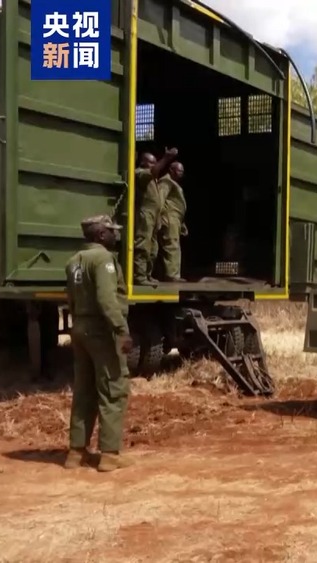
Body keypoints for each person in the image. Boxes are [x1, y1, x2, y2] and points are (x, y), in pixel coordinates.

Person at [64, 215, 135, 473]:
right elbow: (107, 299)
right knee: (113, 388)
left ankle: (76, 452)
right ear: (101, 235)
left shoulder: (73, 261)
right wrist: (121, 330)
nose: (116, 235)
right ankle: (109, 455)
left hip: (80, 328)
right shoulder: (103, 259)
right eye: (112, 231)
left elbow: (70, 298)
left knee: (84, 391)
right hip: (101, 331)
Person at [133, 148, 178, 285]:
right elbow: (152, 172)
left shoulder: (153, 178)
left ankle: (147, 274)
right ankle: (139, 276)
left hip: (155, 215)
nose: (154, 165)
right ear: (143, 163)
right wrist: (166, 158)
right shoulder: (140, 173)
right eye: (151, 163)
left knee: (153, 248)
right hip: (145, 214)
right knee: (143, 245)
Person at [156, 162, 188, 282]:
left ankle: (172, 274)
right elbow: (159, 200)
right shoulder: (166, 182)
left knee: (173, 245)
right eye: (179, 171)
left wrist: (182, 223)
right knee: (171, 245)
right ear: (171, 170)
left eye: (182, 171)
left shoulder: (172, 183)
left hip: (176, 219)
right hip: (169, 218)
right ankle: (172, 275)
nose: (181, 174)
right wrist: (160, 218)